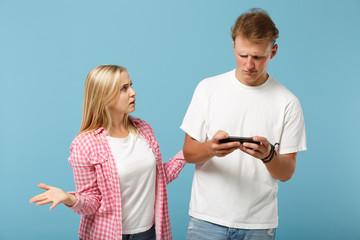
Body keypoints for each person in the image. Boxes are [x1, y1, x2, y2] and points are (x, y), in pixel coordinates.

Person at [180, 8, 307, 240]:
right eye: (242, 55)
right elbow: (188, 153)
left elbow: (287, 171)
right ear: (233, 47)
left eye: (258, 57)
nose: (249, 64)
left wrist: (268, 155)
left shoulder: (288, 102)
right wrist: (210, 148)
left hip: (258, 224)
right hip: (206, 219)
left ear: (273, 51)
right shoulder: (207, 89)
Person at [30, 65, 186, 240]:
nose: (133, 92)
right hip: (106, 234)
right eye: (123, 89)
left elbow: (156, 178)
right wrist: (69, 198)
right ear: (104, 97)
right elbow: (92, 202)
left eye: (131, 85)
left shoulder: (144, 129)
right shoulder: (85, 143)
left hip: (146, 233)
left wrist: (188, 152)